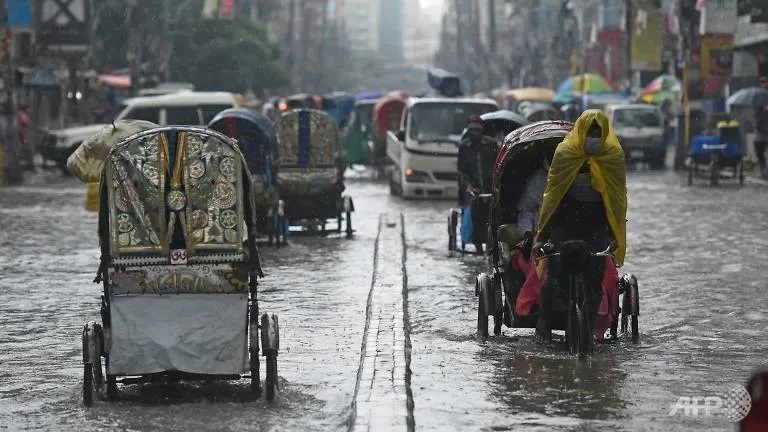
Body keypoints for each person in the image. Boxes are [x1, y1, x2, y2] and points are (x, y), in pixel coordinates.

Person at [531, 109, 627, 342]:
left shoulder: (613, 156)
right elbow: (552, 197)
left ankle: (592, 327)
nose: (593, 137)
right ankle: (542, 326)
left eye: (598, 132)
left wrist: (614, 234)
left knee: (594, 284)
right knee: (553, 279)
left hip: (596, 228)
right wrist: (543, 236)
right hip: (565, 225)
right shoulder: (565, 154)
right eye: (590, 132)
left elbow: (617, 201)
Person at [457, 115, 498, 253]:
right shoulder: (464, 147)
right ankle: (478, 247)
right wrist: (468, 186)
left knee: (492, 219)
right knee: (476, 220)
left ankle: (491, 246)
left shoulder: (491, 144)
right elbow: (462, 171)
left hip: (490, 188)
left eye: (477, 130)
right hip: (473, 190)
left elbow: (497, 166)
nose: (475, 133)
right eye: (472, 130)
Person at [754, 76, 768, 178]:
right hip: (761, 128)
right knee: (758, 147)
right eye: (762, 82)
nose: (764, 84)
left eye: (766, 82)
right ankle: (763, 168)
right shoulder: (758, 96)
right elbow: (756, 111)